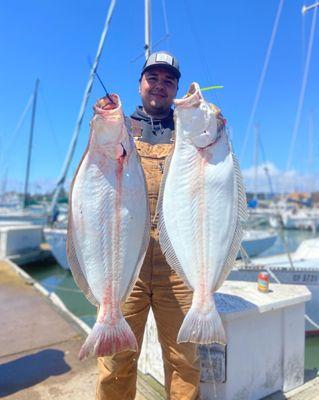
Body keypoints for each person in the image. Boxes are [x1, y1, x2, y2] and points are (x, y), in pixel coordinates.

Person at [96, 51, 224, 400]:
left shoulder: (188, 130)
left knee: (184, 360)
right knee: (116, 360)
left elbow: (214, 182)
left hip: (179, 269)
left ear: (175, 89)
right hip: (127, 270)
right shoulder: (120, 130)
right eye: (153, 77)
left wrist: (215, 127)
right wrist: (102, 123)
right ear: (140, 83)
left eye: (169, 81)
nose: (160, 86)